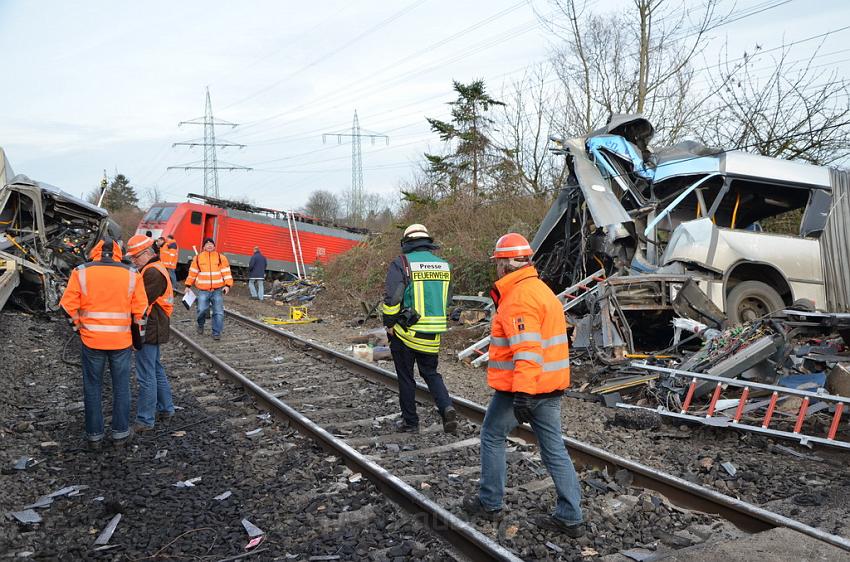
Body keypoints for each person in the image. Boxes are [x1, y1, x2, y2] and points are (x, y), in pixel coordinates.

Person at [462, 233, 584, 537]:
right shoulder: (541, 290)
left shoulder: (518, 297)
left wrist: (524, 394)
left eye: (498, 262)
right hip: (551, 387)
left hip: (523, 388)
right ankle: (571, 516)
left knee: (492, 435)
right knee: (554, 448)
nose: (497, 268)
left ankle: (490, 502)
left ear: (505, 263)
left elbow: (527, 351)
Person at [59, 238, 148, 449]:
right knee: (121, 388)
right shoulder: (132, 274)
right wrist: (138, 340)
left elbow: (67, 306)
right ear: (119, 252)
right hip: (121, 341)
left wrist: (79, 328)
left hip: (92, 341)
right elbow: (141, 312)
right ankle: (120, 434)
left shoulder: (81, 271)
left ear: (95, 252)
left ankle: (94, 436)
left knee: (92, 387)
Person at [381, 224, 456, 433]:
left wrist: (389, 324)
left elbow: (393, 299)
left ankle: (410, 422)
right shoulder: (444, 266)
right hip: (433, 334)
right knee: (431, 373)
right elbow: (447, 300)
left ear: (407, 243)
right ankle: (446, 407)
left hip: (406, 332)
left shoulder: (402, 263)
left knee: (406, 377)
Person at [125, 235, 176, 432]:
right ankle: (166, 408)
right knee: (154, 369)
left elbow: (140, 302)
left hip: (150, 326)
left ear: (147, 253)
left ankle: (146, 420)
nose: (133, 261)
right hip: (156, 324)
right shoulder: (152, 268)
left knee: (146, 374)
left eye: (136, 257)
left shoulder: (152, 273)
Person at [185, 237, 232, 340]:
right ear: (204, 247)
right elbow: (192, 273)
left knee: (218, 312)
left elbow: (226, 273)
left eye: (211, 244)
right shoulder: (198, 258)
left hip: (217, 290)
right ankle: (200, 324)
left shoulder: (221, 258)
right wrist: (188, 285)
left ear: (214, 246)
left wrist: (228, 285)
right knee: (201, 309)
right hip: (203, 290)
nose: (209, 245)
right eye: (207, 244)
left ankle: (216, 332)